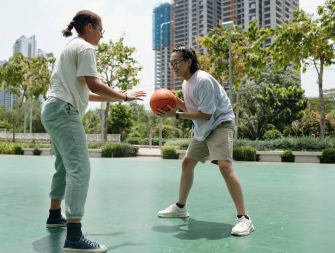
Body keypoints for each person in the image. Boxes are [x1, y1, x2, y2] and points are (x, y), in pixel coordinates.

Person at [41, 10, 146, 252]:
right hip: (65, 112)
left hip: (52, 109)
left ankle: (55, 215)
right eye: (101, 30)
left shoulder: (70, 47)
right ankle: (74, 237)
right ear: (90, 27)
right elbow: (93, 83)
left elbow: (87, 92)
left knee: (63, 166)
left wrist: (120, 100)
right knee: (80, 168)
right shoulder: (86, 49)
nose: (102, 35)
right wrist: (125, 95)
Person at [156, 45, 254, 236]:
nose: (173, 66)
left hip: (220, 124)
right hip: (203, 127)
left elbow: (206, 114)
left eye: (176, 62)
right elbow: (195, 110)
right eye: (171, 63)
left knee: (225, 166)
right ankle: (180, 207)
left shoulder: (202, 80)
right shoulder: (186, 83)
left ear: (188, 62)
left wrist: (175, 115)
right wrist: (175, 102)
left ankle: (244, 219)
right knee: (187, 163)